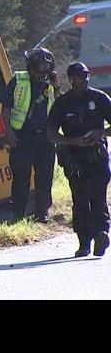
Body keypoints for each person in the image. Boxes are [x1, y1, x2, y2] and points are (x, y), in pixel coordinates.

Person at [47, 62, 111, 257]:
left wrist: (101, 133)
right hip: (74, 160)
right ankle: (84, 243)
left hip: (97, 157)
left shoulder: (99, 98)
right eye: (78, 77)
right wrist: (73, 141)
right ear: (71, 79)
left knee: (98, 197)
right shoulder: (62, 103)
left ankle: (102, 233)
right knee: (80, 200)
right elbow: (51, 134)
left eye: (85, 76)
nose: (83, 80)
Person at [1, 47, 60, 222]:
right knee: (21, 178)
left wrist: (57, 86)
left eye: (45, 68)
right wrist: (9, 133)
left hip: (45, 138)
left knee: (44, 177)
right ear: (31, 67)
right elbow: (6, 108)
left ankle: (42, 213)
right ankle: (19, 214)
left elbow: (60, 105)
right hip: (22, 137)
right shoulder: (18, 80)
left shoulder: (51, 83)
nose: (41, 73)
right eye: (38, 68)